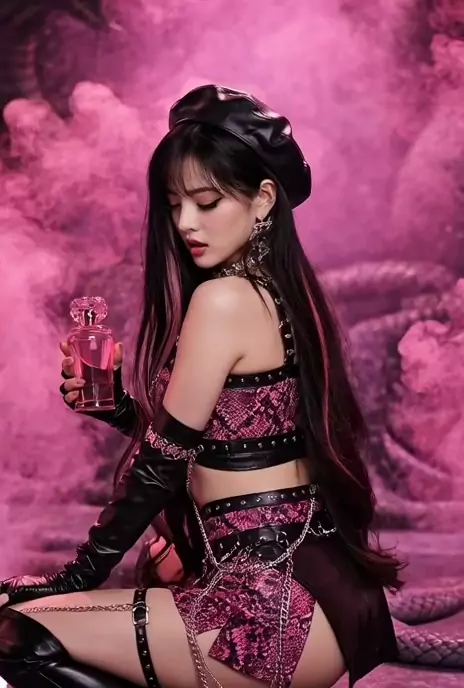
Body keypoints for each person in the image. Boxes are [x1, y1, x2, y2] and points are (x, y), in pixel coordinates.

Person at [0, 84, 403, 688]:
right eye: (174, 204)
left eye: (207, 202)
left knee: (15, 631)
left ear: (263, 199)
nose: (186, 222)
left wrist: (71, 580)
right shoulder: (281, 289)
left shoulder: (224, 299)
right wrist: (120, 411)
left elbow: (159, 469)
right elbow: (222, 446)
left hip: (266, 614)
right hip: (312, 593)